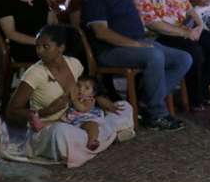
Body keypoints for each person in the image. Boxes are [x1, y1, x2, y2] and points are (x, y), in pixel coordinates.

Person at [82, 0, 190, 130]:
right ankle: (157, 115)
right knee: (154, 55)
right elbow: (102, 33)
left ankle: (145, 102)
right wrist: (137, 45)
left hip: (139, 44)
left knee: (184, 58)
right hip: (110, 50)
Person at [7, 25, 136, 167]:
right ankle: (110, 136)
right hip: (50, 128)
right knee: (61, 133)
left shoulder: (74, 64)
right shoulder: (34, 74)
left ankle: (94, 140)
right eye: (37, 46)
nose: (39, 51)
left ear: (61, 48)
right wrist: (46, 111)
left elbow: (86, 90)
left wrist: (103, 101)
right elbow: (12, 111)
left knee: (123, 106)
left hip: (77, 120)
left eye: (45, 46)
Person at [61, 75, 107, 151]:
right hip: (73, 120)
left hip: (86, 119)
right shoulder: (75, 97)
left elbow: (83, 109)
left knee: (92, 125)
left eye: (87, 88)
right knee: (59, 121)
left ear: (93, 93)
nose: (81, 89)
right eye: (79, 86)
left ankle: (92, 140)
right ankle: (42, 124)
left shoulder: (89, 100)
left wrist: (73, 99)